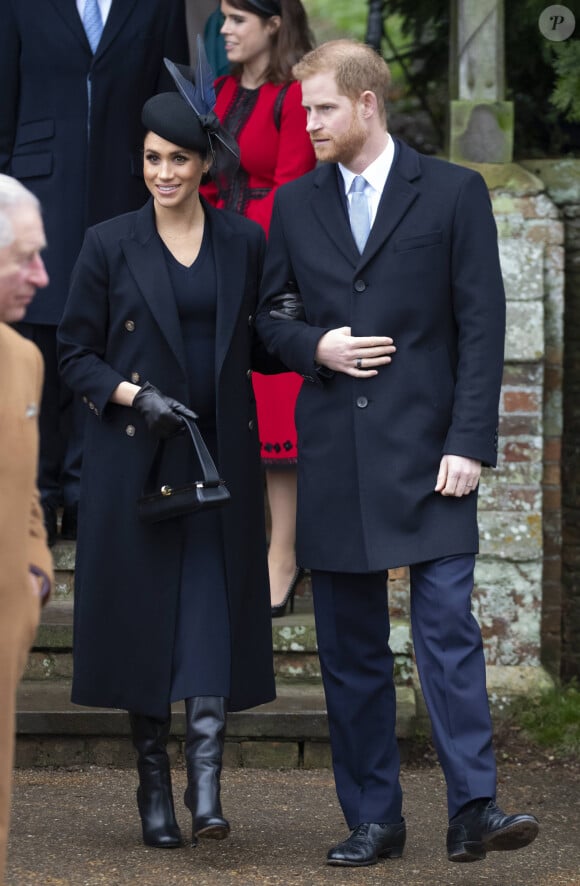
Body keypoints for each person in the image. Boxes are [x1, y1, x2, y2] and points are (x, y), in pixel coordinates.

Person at [255, 39, 540, 867]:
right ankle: (375, 820)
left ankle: (473, 810)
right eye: (304, 110)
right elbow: (268, 322)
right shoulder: (296, 205)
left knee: (447, 631)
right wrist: (318, 347)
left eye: (321, 109)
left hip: (432, 457)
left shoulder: (453, 193)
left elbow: (483, 327)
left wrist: (470, 444)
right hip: (336, 457)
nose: (306, 123)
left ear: (367, 103)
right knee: (348, 649)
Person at [57, 63, 278, 851]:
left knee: (211, 619)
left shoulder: (244, 241)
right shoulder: (107, 244)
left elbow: (268, 334)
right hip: (135, 459)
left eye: (177, 159)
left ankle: (207, 790)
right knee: (146, 624)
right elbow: (75, 353)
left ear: (205, 163)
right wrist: (130, 396)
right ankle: (155, 786)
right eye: (151, 159)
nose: (163, 173)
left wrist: (322, 347)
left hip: (219, 459)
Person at [0, 0, 189, 546]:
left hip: (124, 192)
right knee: (37, 340)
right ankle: (37, 495)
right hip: (37, 194)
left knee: (108, 341)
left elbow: (169, 100)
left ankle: (87, 498)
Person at [200, 0, 316, 616]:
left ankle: (283, 555)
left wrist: (258, 259)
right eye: (222, 19)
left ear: (273, 23)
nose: (225, 31)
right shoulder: (215, 90)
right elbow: (203, 180)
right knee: (220, 402)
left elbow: (297, 187)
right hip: (213, 255)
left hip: (270, 263)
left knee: (275, 412)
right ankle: (233, 550)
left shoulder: (294, 97)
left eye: (237, 20)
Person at [0, 174, 53, 885]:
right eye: (24, 257)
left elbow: (28, 489)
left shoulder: (26, 359)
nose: (44, 276)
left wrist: (37, 565)